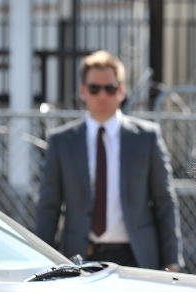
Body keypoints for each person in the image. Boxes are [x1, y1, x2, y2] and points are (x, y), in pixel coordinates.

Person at [35, 50, 183, 271]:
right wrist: (42, 262)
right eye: (95, 89)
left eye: (110, 88)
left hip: (136, 257)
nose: (102, 95)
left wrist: (172, 259)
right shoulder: (61, 142)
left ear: (121, 91)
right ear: (83, 91)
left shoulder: (146, 138)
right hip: (79, 258)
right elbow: (49, 206)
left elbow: (164, 201)